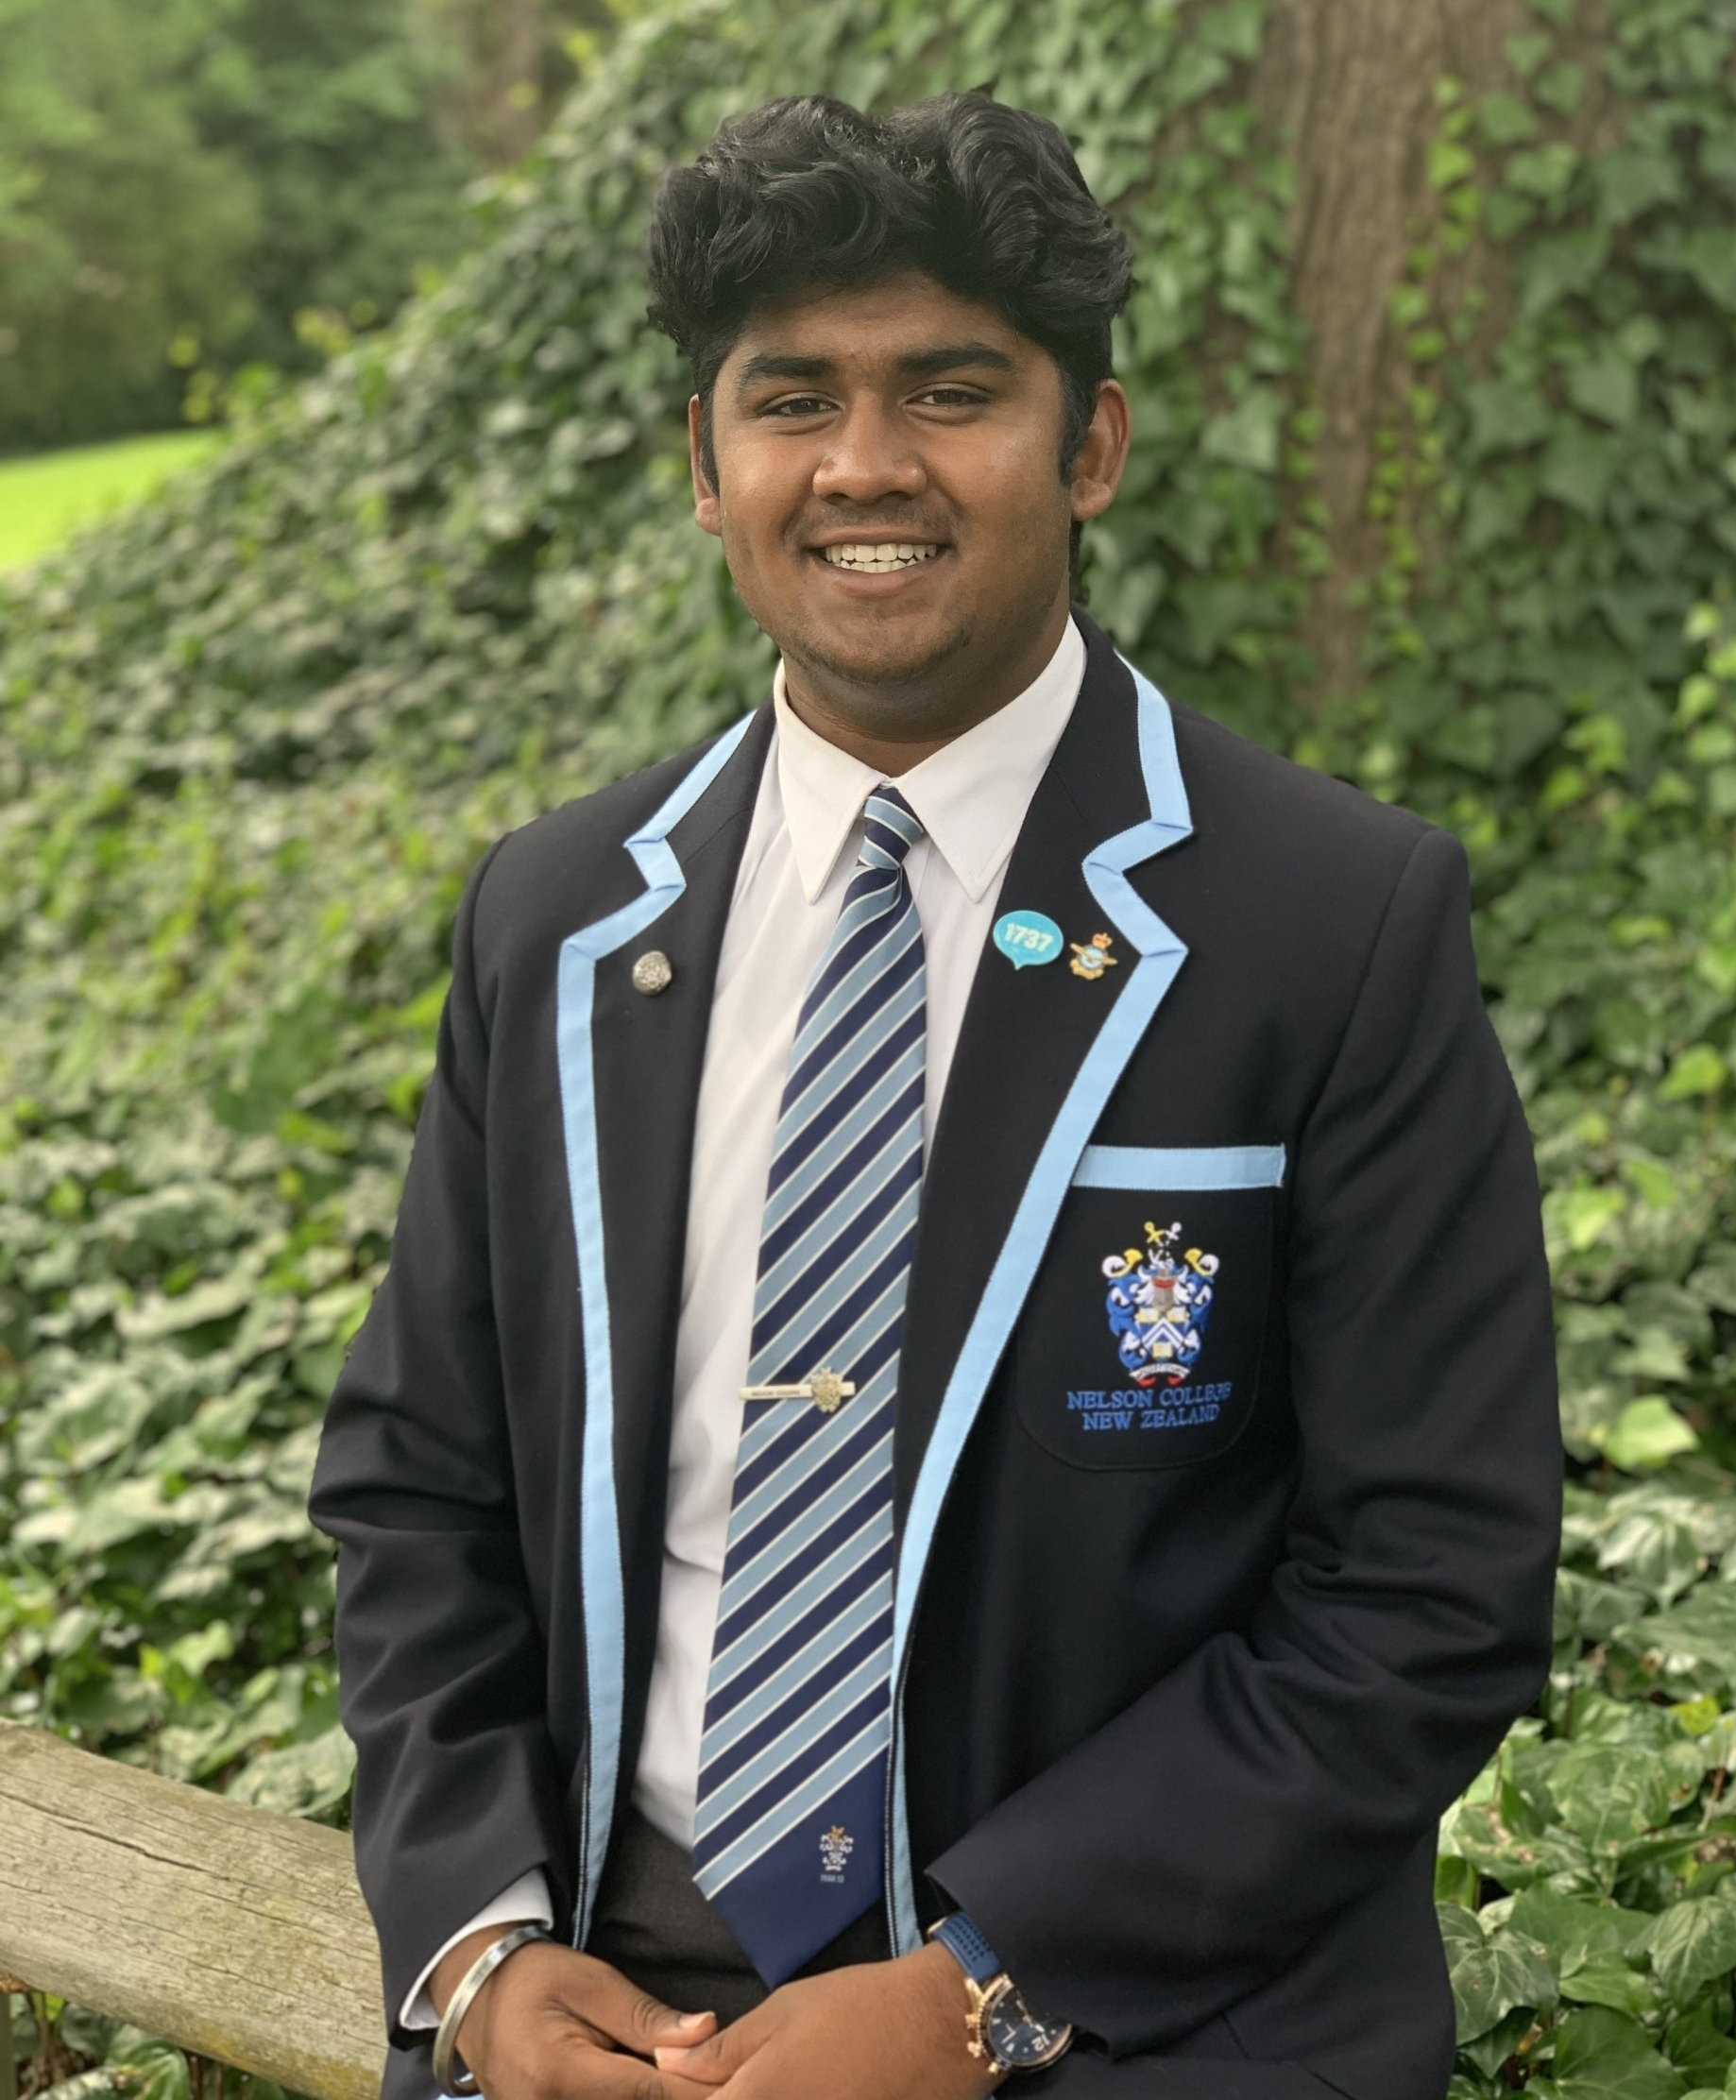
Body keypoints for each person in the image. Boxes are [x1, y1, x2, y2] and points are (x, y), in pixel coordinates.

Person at [308, 88, 1562, 2100]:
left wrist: (980, 1986)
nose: (865, 465)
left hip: (1132, 2016)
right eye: (790, 398)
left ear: (1093, 448)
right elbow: (419, 1485)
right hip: (609, 2008)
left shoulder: (1329, 919)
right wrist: (480, 1943)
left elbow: (1431, 1583)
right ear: (703, 470)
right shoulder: (558, 919)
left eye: (950, 390)